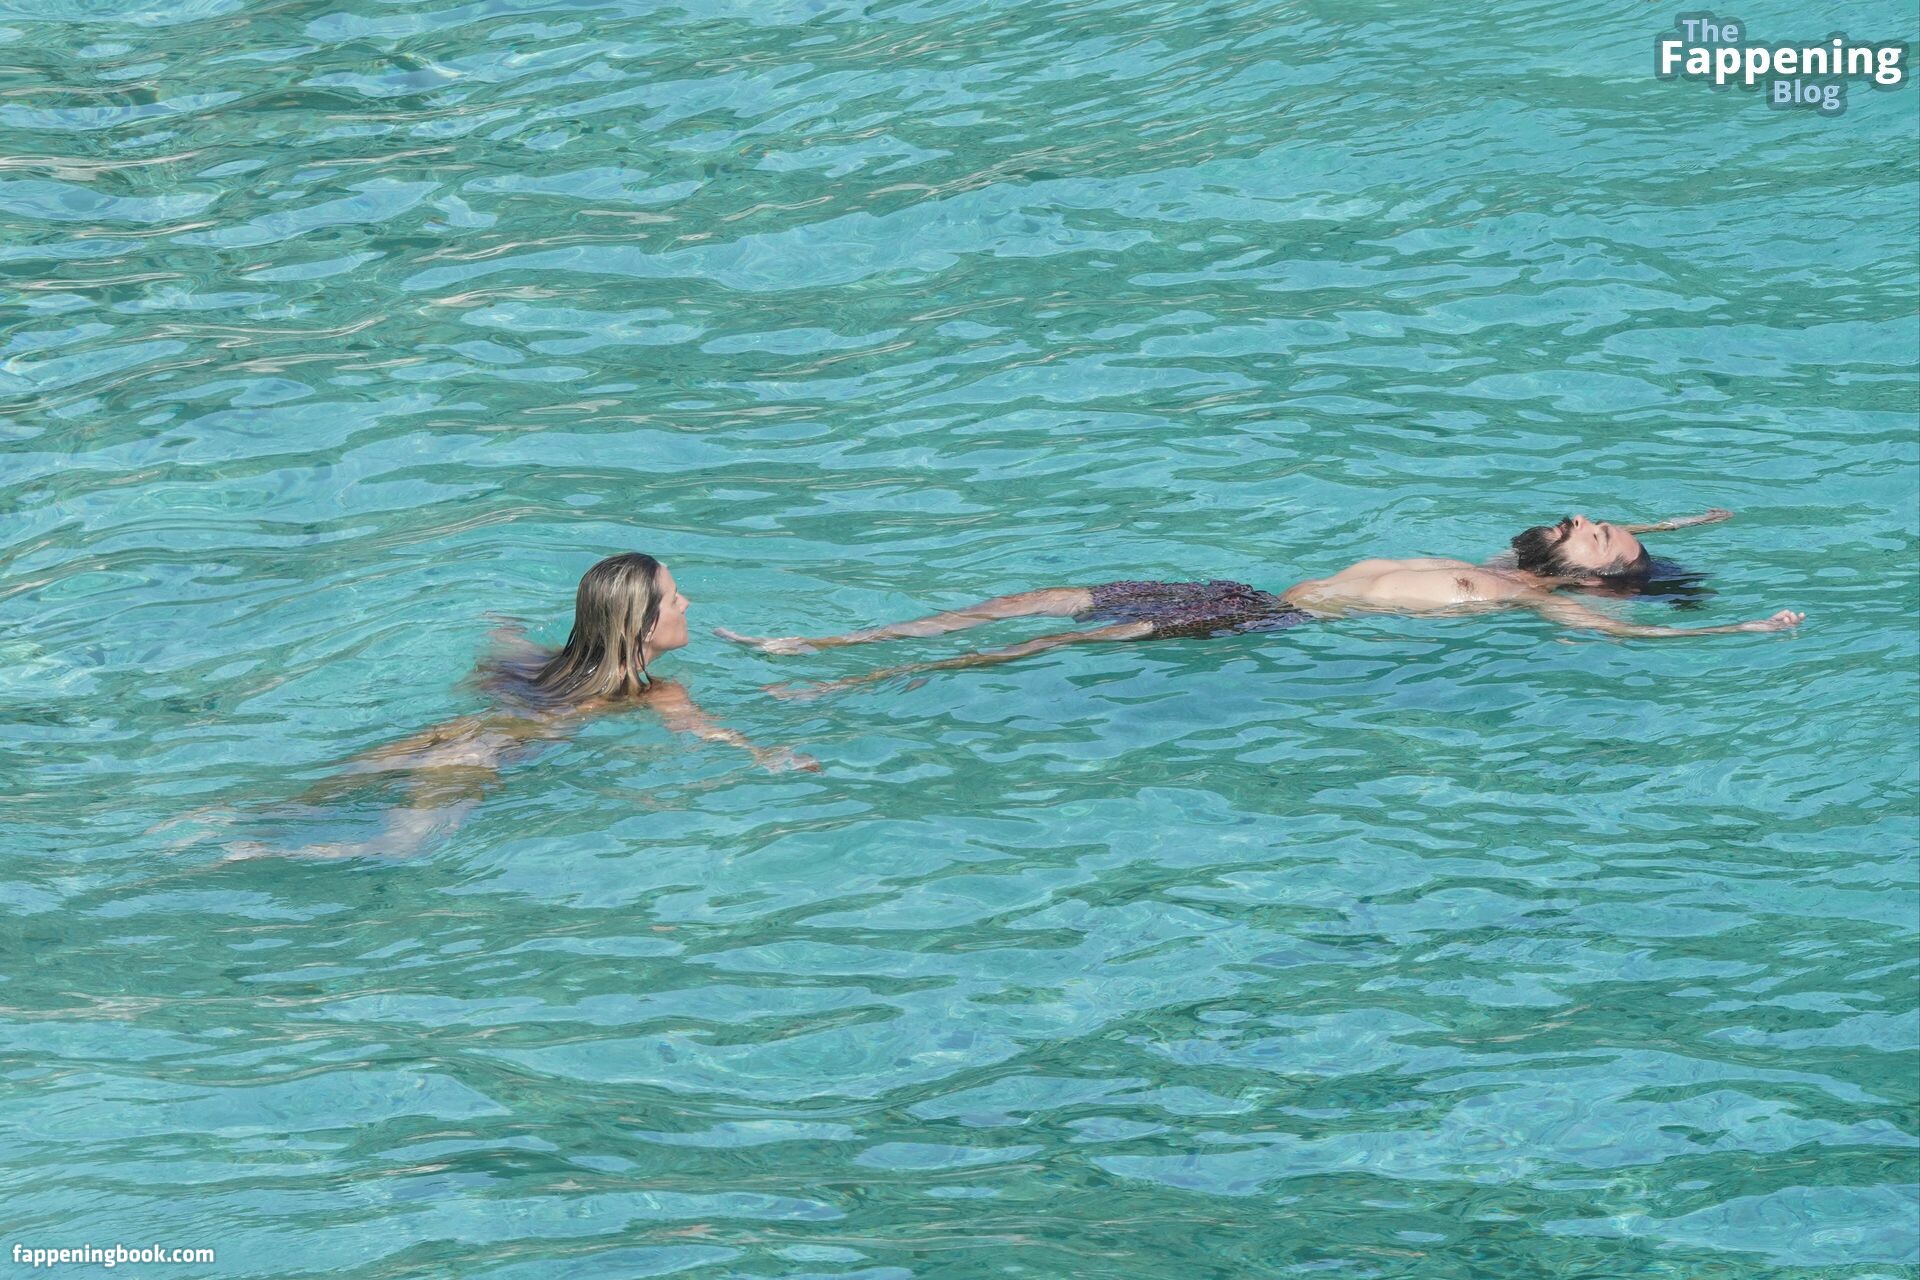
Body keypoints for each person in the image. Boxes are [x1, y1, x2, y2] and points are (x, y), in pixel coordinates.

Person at [716, 509, 1804, 694]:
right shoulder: (1503, 561)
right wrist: (1685, 526)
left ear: (1594, 574)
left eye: (1599, 533)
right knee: (1044, 594)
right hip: (1239, 588)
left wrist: (1745, 628)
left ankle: (862, 679)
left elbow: (1628, 632)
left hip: (1279, 623)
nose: (1584, 517)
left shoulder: (1543, 603)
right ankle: (824, 639)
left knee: (1070, 637)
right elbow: (1616, 548)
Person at [172, 553, 814, 861]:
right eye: (674, 599)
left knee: (306, 799)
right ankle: (267, 855)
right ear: (643, 626)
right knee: (398, 847)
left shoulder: (547, 663)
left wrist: (502, 627)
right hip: (490, 754)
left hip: (447, 734)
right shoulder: (655, 692)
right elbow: (704, 733)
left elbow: (501, 657)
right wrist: (767, 755)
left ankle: (214, 824)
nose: (687, 604)